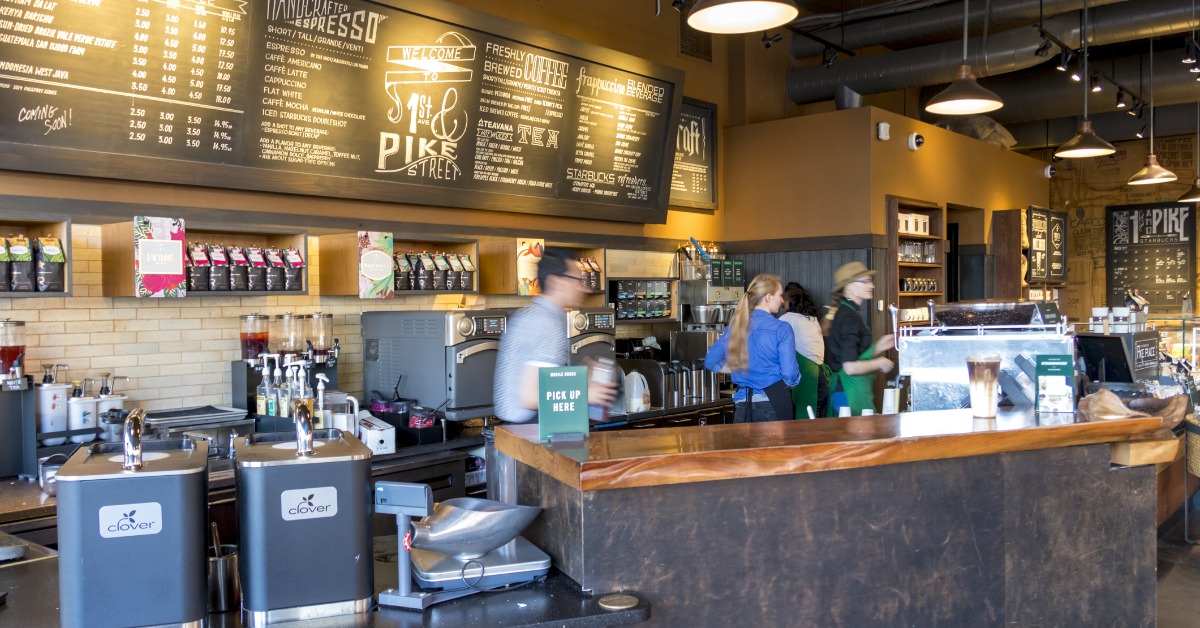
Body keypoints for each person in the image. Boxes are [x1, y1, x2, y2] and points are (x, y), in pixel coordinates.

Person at [494, 247, 618, 423]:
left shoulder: (534, 314)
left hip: (517, 428)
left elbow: (542, 381)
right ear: (556, 282)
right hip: (528, 431)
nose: (585, 289)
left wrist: (578, 376)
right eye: (578, 281)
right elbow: (529, 396)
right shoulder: (546, 322)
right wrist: (585, 394)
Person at [704, 274, 800, 422]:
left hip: (742, 404)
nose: (782, 300)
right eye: (780, 295)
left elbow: (711, 361)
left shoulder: (736, 326)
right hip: (773, 403)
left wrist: (736, 366)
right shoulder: (781, 328)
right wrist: (792, 383)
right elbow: (790, 373)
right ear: (768, 297)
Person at [822, 261, 894, 416]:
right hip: (850, 393)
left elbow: (852, 356)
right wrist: (879, 362)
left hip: (844, 391)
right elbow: (850, 367)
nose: (872, 286)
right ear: (849, 286)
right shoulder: (850, 317)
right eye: (866, 281)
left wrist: (878, 347)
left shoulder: (846, 313)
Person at [780, 282, 828, 419]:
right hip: (822, 379)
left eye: (783, 306)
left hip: (807, 381)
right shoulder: (812, 320)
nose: (782, 310)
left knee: (805, 429)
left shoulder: (787, 319)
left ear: (791, 304)